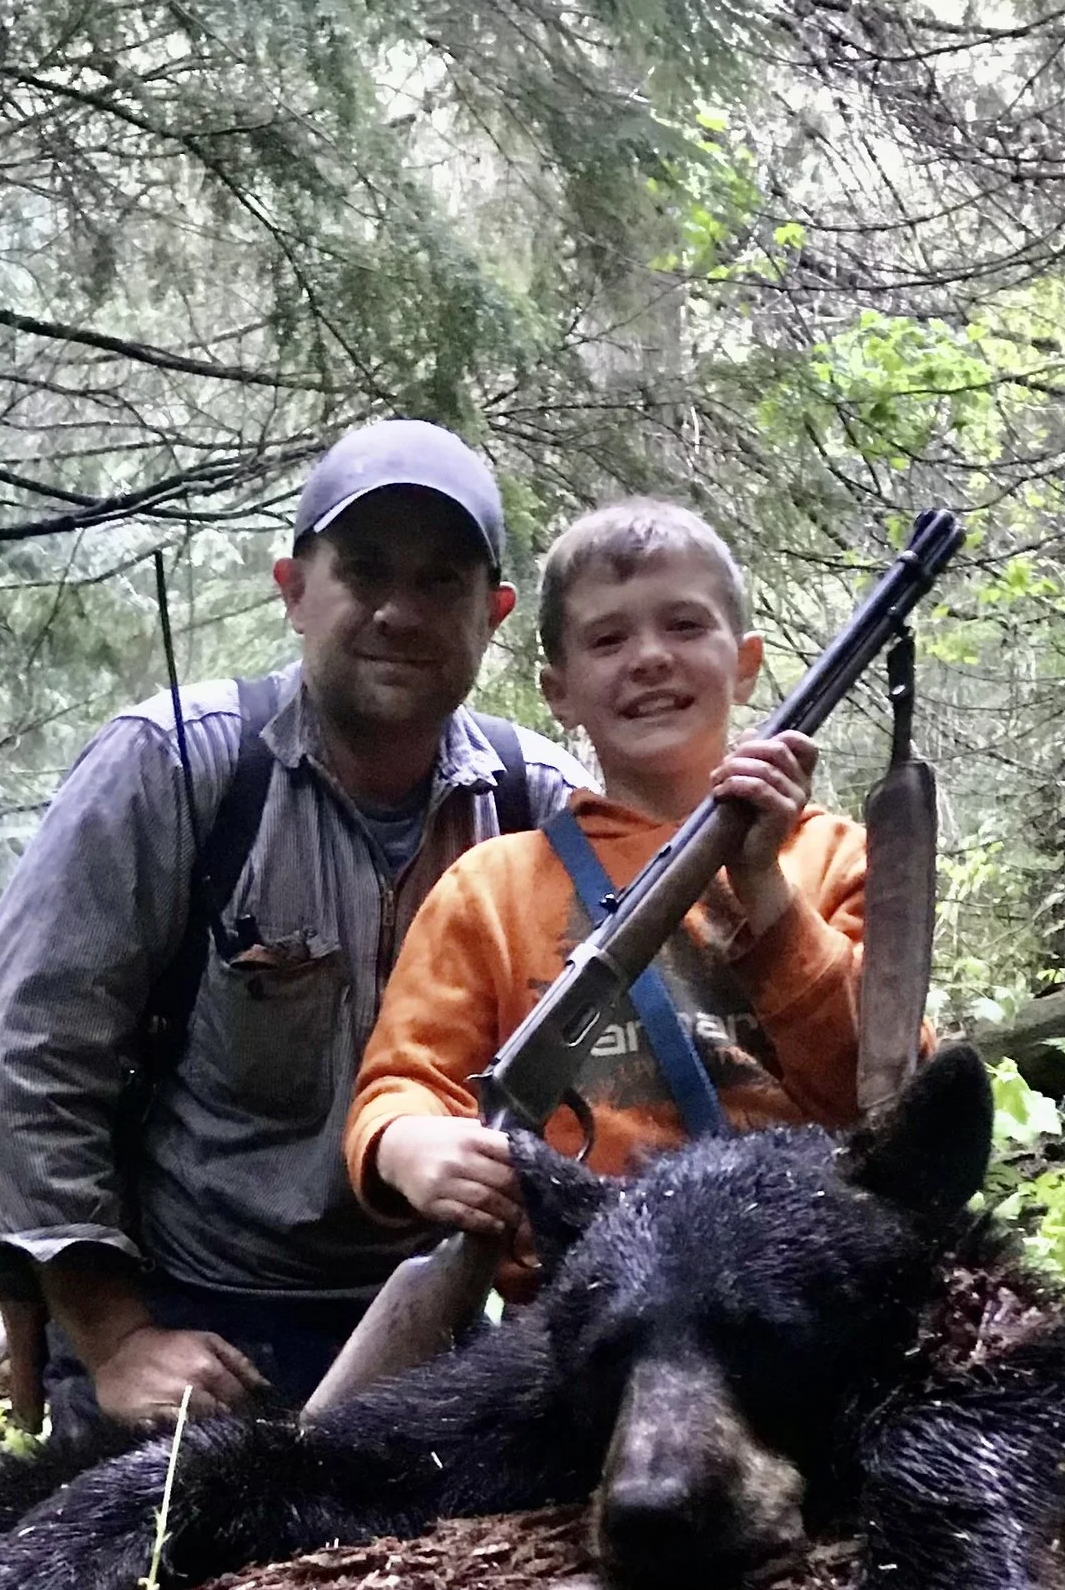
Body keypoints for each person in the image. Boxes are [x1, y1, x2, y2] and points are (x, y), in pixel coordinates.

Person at [0, 421, 581, 1426]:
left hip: (440, 1325)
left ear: (493, 614)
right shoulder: (177, 767)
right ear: (292, 589)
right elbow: (17, 1058)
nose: (398, 610)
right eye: (363, 570)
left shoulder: (541, 807)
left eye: (439, 582)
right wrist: (114, 1339)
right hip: (189, 1325)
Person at [344, 497, 868, 1262]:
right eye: (608, 638)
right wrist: (406, 1143)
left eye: (684, 625)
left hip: (805, 1285)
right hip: (583, 1301)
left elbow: (876, 1095)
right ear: (559, 692)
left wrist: (766, 891)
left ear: (746, 664)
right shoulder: (490, 889)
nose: (649, 657)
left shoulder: (834, 857)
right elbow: (404, 1081)